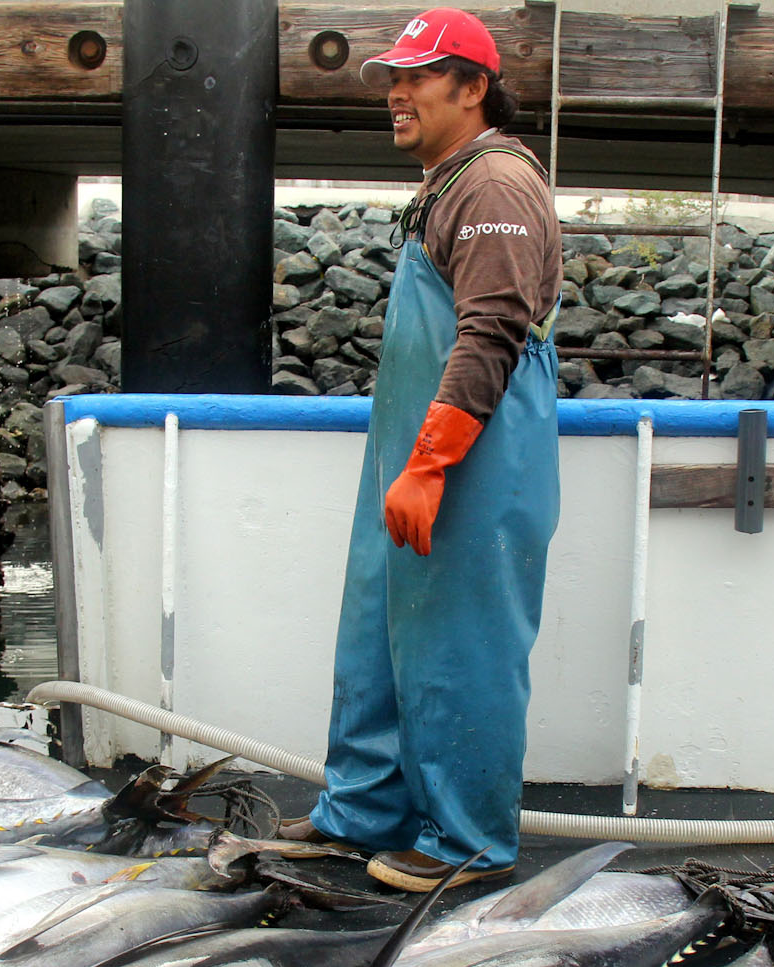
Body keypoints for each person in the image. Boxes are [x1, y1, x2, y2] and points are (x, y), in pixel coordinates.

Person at [281, 7, 563, 893]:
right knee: (376, 638)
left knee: (462, 647)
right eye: (391, 79)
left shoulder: (496, 187)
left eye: (419, 77)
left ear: (474, 88)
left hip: (473, 462)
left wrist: (431, 462)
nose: (397, 94)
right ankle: (360, 813)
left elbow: (491, 333)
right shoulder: (451, 180)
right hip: (411, 461)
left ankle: (469, 842)